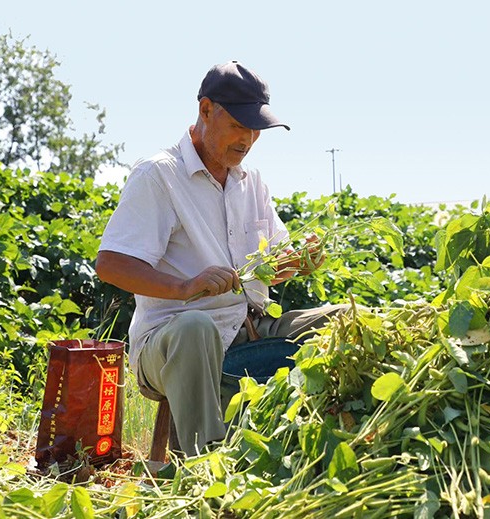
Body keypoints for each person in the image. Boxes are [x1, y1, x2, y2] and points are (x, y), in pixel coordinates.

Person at [96, 61, 341, 455]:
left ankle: (322, 445)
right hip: (173, 340)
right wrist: (184, 287)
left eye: (255, 128)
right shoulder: (159, 175)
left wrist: (301, 260)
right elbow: (110, 263)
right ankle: (205, 466)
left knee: (343, 321)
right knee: (196, 328)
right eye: (238, 126)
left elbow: (275, 266)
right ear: (206, 110)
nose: (248, 139)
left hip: (250, 328)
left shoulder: (251, 181)